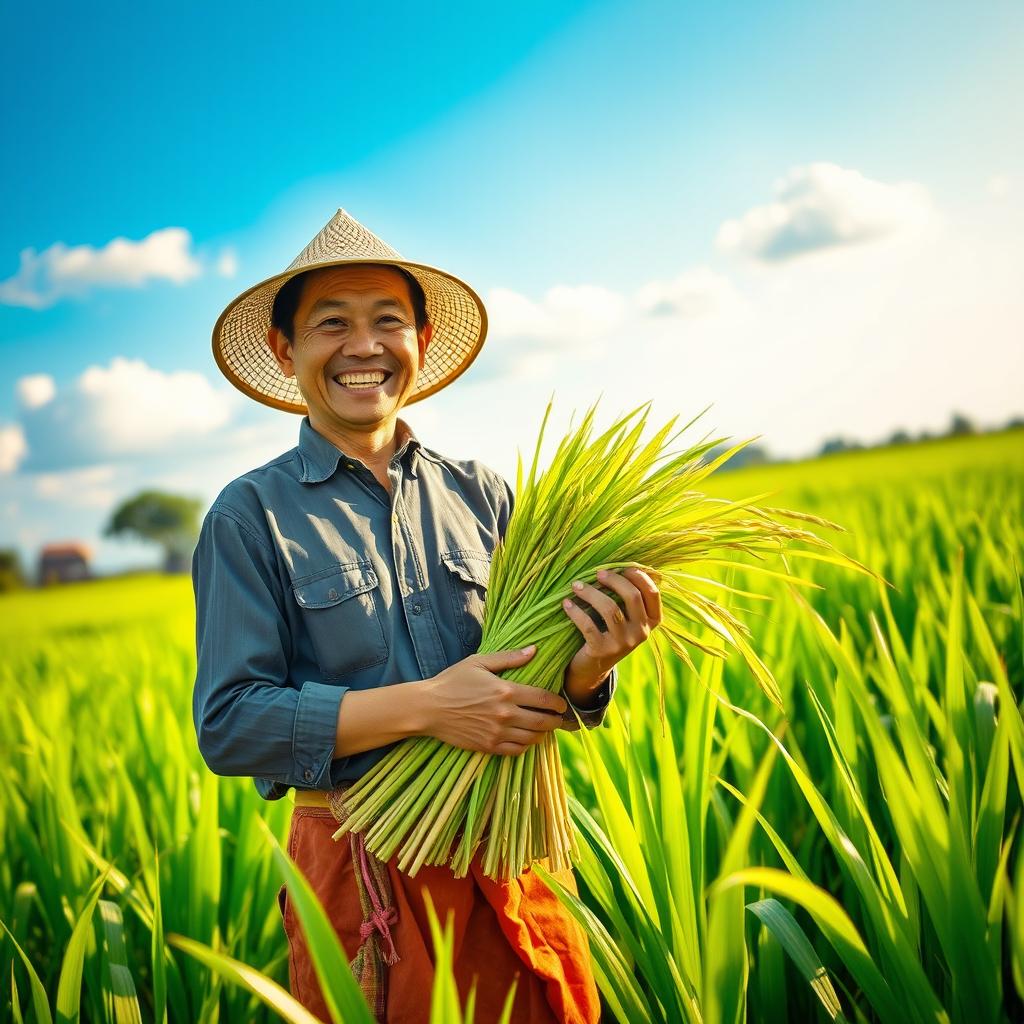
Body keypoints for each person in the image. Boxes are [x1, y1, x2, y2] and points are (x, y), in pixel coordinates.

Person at [191, 209, 663, 1023]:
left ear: (421, 337)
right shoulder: (249, 515)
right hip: (361, 870)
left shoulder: (486, 494)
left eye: (387, 321)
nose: (362, 346)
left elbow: (540, 686)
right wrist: (433, 707)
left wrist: (592, 664)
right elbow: (230, 725)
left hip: (511, 851)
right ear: (285, 350)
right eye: (330, 323)